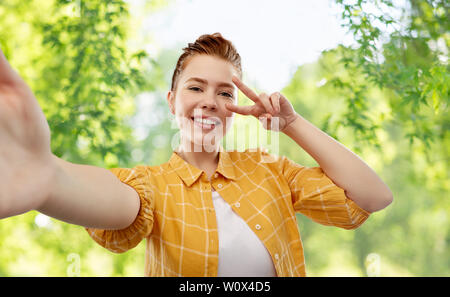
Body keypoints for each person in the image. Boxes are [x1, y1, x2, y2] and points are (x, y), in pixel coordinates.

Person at [0, 33, 393, 277]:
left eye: (225, 93)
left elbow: (373, 197)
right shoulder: (152, 187)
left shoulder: (272, 171)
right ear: (172, 101)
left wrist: (290, 124)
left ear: (237, 107)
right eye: (196, 88)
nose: (210, 102)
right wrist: (49, 178)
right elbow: (116, 201)